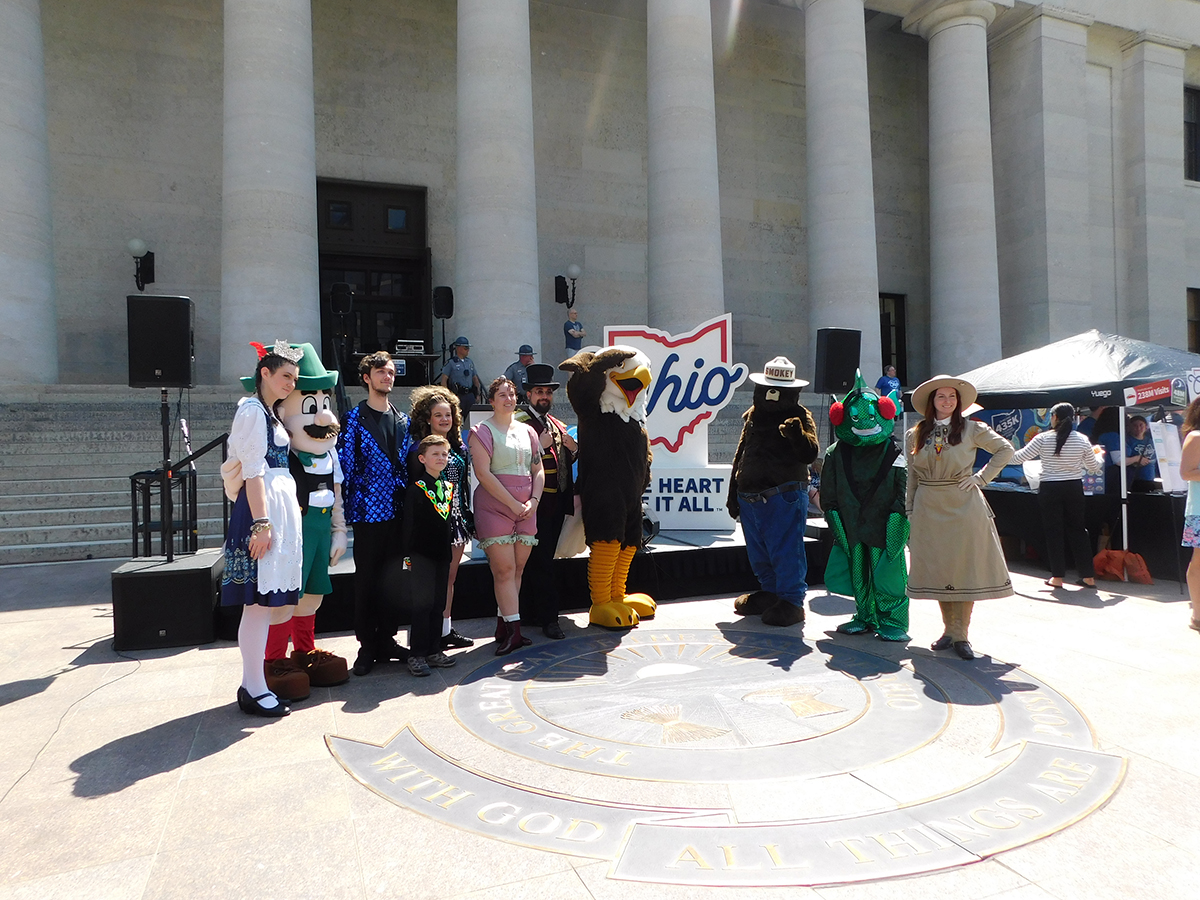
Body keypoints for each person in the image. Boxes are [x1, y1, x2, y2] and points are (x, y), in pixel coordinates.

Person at [220, 340, 305, 717]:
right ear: (264, 374)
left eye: (294, 378)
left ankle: (255, 684)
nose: (290, 383)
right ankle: (252, 687)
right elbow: (252, 471)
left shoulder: (268, 413)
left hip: (272, 510)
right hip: (260, 513)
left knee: (261, 607)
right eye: (285, 376)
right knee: (255, 607)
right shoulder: (252, 411)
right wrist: (262, 523)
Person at [906, 375, 1014, 660]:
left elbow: (1006, 449)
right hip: (928, 506)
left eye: (952, 397)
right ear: (932, 402)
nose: (947, 401)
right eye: (941, 397)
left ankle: (961, 634)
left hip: (963, 506)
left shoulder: (972, 429)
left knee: (962, 569)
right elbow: (912, 476)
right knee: (941, 569)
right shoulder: (916, 433)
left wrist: (981, 478)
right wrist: (909, 510)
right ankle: (948, 631)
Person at [727, 356, 820, 628]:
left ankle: (792, 601)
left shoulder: (800, 416)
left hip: (783, 494)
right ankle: (771, 593)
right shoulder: (753, 416)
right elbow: (742, 453)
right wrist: (734, 492)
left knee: (786, 550)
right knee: (759, 551)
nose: (771, 395)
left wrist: (796, 434)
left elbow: (810, 453)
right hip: (750, 496)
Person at [337, 351, 413, 676]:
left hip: (398, 513)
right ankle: (367, 647)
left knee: (396, 580)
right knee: (367, 582)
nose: (388, 376)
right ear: (366, 378)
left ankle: (389, 641)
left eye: (392, 372)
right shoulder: (353, 419)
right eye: (381, 372)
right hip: (368, 515)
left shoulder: (403, 419)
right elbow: (345, 467)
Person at [469, 376, 544, 655]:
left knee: (519, 570)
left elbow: (537, 469)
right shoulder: (480, 431)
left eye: (511, 394)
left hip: (527, 507)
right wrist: (513, 504)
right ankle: (515, 632)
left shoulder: (528, 431)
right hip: (495, 507)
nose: (508, 399)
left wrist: (534, 500)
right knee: (504, 570)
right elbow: (483, 474)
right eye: (502, 394)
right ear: (491, 400)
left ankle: (504, 624)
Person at [406, 385, 474, 651]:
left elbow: (461, 487)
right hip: (431, 524)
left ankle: (445, 630)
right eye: (438, 415)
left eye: (448, 415)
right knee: (431, 584)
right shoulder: (417, 450)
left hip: (455, 521)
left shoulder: (457, 449)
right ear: (428, 418)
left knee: (450, 577)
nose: (444, 420)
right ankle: (425, 642)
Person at [1010, 402, 1104, 590]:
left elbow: (1018, 458)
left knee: (1054, 532)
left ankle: (1057, 577)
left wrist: (1000, 451)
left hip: (1050, 488)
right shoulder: (1082, 439)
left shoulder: (1043, 438)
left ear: (1054, 417)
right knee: (1078, 530)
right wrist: (1100, 455)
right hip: (1074, 488)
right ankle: (1088, 576)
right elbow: (1094, 467)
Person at [516, 363, 577, 639]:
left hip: (553, 507)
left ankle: (531, 613)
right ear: (528, 394)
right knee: (541, 565)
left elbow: (563, 459)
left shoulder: (554, 422)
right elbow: (512, 460)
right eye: (539, 392)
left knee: (540, 562)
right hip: (531, 506)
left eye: (548, 392)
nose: (544, 396)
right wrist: (538, 446)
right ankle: (550, 620)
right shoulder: (518, 422)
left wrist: (574, 451)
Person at [400, 435, 460, 676]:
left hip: (441, 555)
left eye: (444, 454)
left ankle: (434, 650)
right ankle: (416, 654)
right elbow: (408, 528)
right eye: (435, 454)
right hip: (420, 557)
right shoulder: (416, 489)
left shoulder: (447, 487)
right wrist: (407, 560)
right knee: (421, 606)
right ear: (422, 458)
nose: (441, 458)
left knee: (438, 603)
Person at [1177, 398, 1200, 633]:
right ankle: (1198, 615)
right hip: (1199, 510)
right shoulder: (1196, 437)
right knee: (1199, 561)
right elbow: (1186, 473)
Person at [438, 336, 484, 408]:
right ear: (458, 348)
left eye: (468, 348)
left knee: (470, 416)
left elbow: (475, 378)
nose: (468, 350)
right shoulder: (451, 363)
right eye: (465, 348)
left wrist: (477, 394)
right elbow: (444, 380)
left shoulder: (469, 362)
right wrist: (447, 395)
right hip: (457, 395)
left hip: (469, 394)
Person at [1124, 415, 1159, 491]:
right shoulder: (1127, 441)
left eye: (1141, 425)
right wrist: (1136, 461)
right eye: (1135, 425)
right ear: (1129, 427)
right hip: (1135, 480)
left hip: (1150, 478)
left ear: (1146, 427)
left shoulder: (1150, 440)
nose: (1138, 428)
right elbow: (1124, 460)